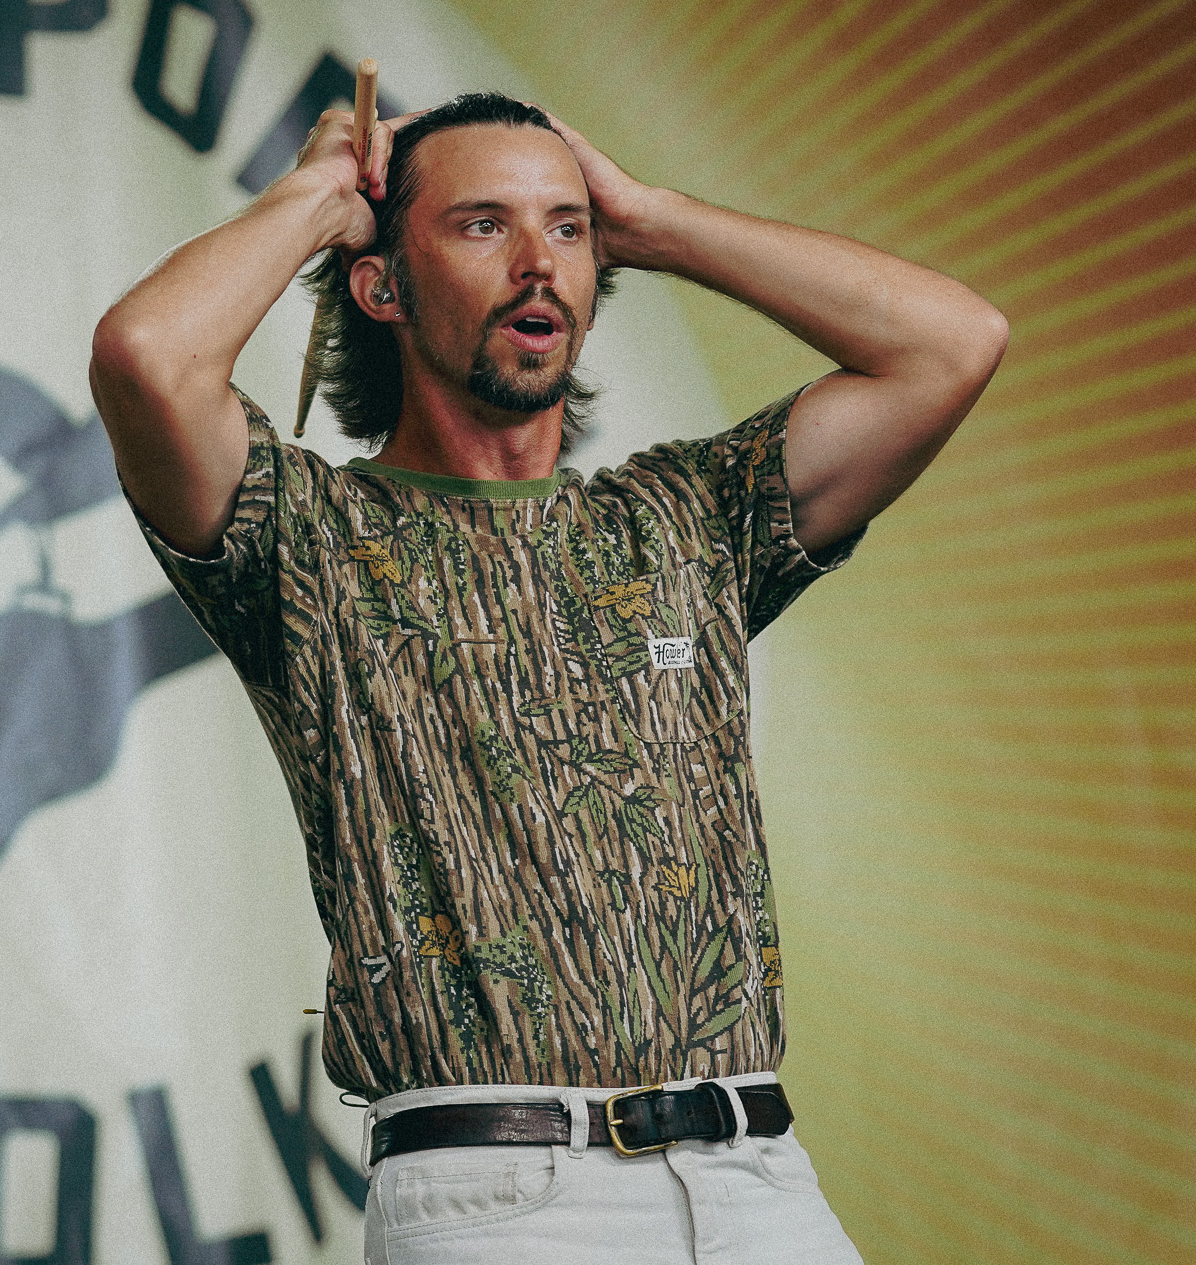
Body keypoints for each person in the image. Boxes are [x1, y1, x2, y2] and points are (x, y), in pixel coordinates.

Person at [89, 92, 1005, 1263]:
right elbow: (146, 356)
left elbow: (952, 342)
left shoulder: (687, 517)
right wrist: (318, 201)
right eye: (481, 226)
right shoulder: (308, 537)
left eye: (565, 230)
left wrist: (653, 218)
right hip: (496, 1194)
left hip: (755, 1178)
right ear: (380, 284)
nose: (538, 265)